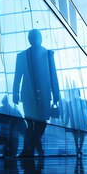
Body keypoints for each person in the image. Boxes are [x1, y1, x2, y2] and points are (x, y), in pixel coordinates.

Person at [13, 29, 60, 157]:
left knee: (40, 123)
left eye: (36, 36)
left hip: (43, 94)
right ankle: (32, 149)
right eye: (32, 37)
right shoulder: (22, 56)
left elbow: (53, 76)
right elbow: (18, 76)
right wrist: (15, 93)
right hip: (29, 95)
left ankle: (30, 148)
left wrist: (56, 95)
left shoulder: (48, 54)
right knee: (32, 123)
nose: (34, 39)